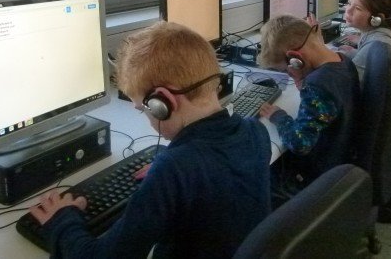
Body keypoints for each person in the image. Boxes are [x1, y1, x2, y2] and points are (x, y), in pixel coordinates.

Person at [28, 21, 272, 259]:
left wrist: (62, 220)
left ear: (162, 103)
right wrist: (174, 170)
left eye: (142, 109)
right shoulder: (255, 132)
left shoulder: (173, 170)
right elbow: (215, 176)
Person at [257, 15, 360, 208]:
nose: (288, 73)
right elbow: (326, 108)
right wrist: (301, 81)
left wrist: (278, 117)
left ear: (295, 58)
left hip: (318, 174)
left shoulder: (318, 85)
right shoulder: (344, 61)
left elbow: (300, 143)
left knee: (257, 173)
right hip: (340, 157)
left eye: (285, 69)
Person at [341, 0, 391, 81]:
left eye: (358, 8)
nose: (348, 10)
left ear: (376, 18)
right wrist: (350, 53)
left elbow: (344, 83)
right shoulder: (387, 31)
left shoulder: (377, 45)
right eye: (349, 3)